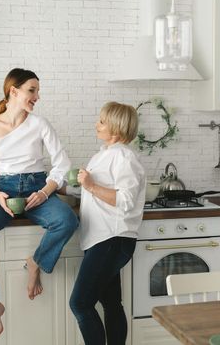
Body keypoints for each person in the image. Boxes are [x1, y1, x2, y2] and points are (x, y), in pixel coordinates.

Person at [0, 68, 78, 340]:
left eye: (37, 91)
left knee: (67, 220)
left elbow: (63, 163)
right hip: (3, 189)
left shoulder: (40, 124)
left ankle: (35, 262)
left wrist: (46, 190)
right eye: (32, 90)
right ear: (13, 91)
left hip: (37, 188)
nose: (37, 96)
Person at [68, 101, 146, 345]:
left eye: (102, 121)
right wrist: (62, 188)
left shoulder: (125, 158)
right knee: (111, 303)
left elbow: (125, 199)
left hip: (112, 239)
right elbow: (94, 194)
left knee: (80, 303)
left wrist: (90, 185)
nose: (96, 124)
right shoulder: (104, 155)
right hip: (103, 239)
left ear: (116, 129)